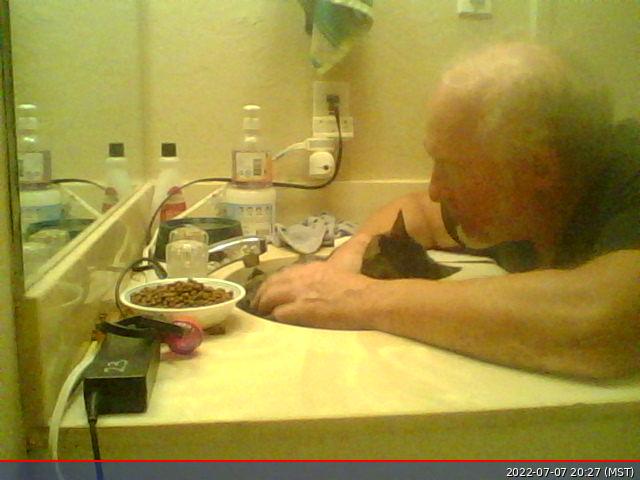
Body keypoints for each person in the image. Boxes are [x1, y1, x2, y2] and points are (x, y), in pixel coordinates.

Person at [252, 42, 640, 379]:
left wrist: (359, 298)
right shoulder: (518, 200)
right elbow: (417, 210)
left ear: (539, 169)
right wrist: (351, 257)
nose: (436, 190)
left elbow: (608, 322)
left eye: (451, 167)